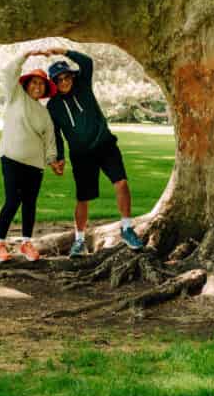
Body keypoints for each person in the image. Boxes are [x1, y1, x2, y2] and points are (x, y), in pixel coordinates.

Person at [39, 45, 143, 255]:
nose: (64, 81)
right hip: (81, 155)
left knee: (121, 182)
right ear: (54, 83)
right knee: (83, 199)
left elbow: (87, 62)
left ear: (72, 77)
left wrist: (63, 51)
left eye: (67, 77)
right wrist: (58, 158)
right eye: (59, 79)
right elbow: (56, 135)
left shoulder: (84, 86)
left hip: (105, 145)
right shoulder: (53, 106)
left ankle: (127, 228)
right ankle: (79, 240)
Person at [0, 53, 64, 263]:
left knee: (30, 203)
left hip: (35, 164)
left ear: (45, 89)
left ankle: (26, 243)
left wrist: (53, 162)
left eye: (42, 84)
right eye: (34, 82)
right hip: (11, 158)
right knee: (13, 201)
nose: (37, 86)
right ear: (27, 84)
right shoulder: (15, 96)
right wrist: (25, 56)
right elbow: (8, 72)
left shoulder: (44, 114)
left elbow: (49, 140)